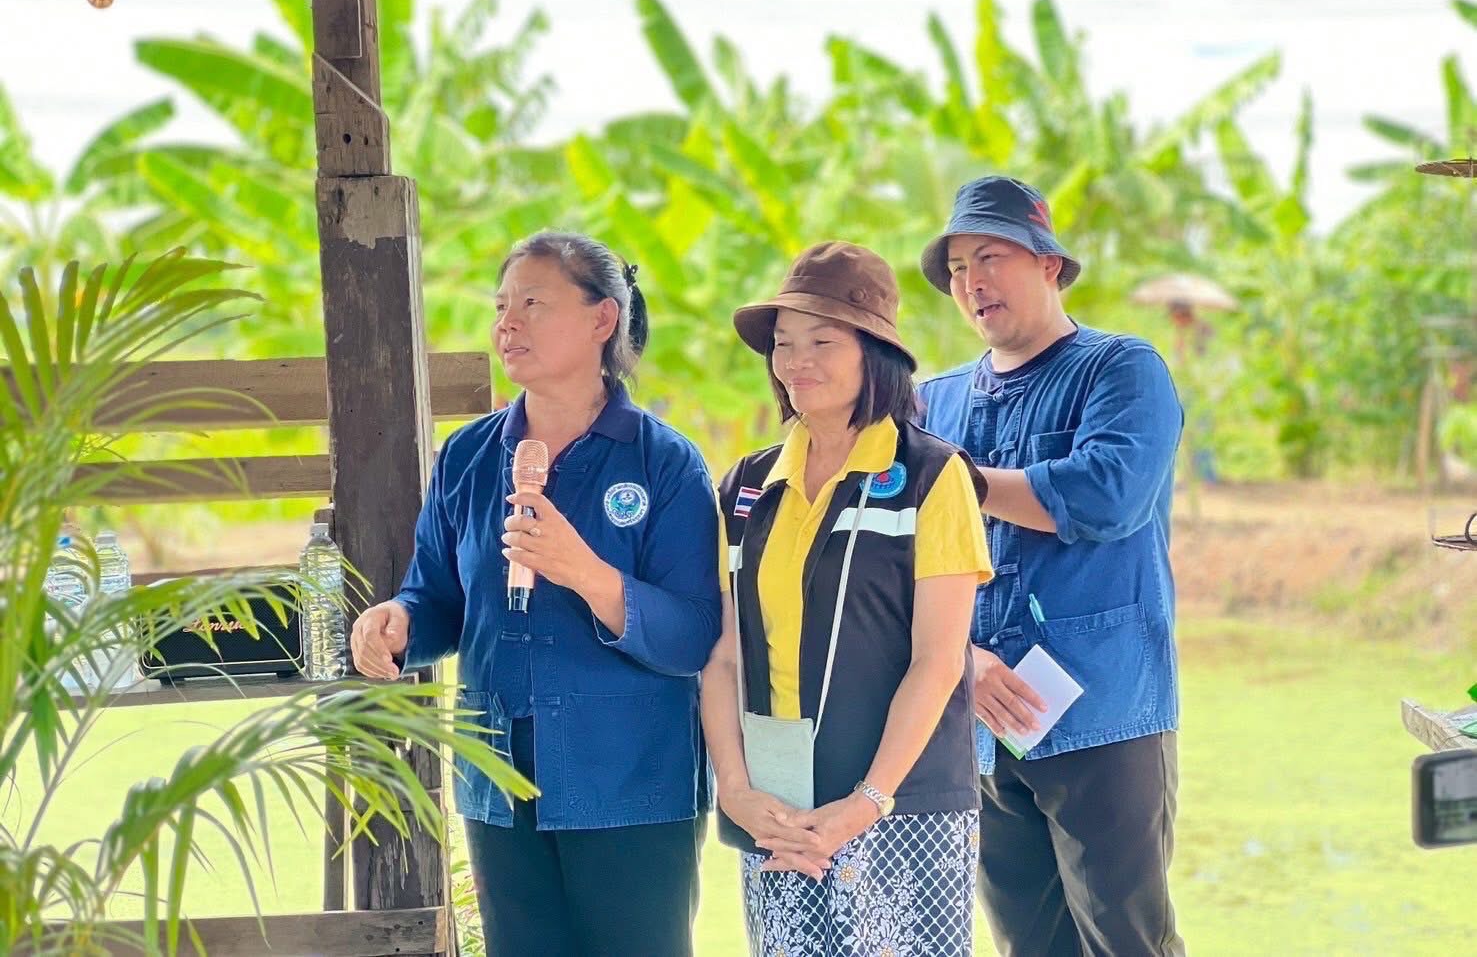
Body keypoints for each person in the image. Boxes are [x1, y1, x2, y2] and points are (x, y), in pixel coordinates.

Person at [349, 231, 722, 957]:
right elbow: (437, 597)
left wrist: (584, 571)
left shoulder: (664, 462)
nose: (506, 324)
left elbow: (693, 635)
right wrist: (397, 620)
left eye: (532, 304)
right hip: (497, 781)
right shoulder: (467, 454)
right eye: (500, 306)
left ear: (601, 320)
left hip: (631, 785)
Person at [916, 175, 1186, 957]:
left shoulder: (1119, 370)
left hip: (1103, 713)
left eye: (990, 256)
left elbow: (1105, 496)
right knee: (1025, 941)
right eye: (958, 267)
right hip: (979, 721)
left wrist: (956, 482)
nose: (971, 282)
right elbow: (897, 561)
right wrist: (958, 658)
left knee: (1125, 939)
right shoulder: (932, 403)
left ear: (1048, 264)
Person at [701, 241, 993, 956]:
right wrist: (736, 790)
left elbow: (937, 660)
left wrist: (865, 802)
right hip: (776, 808)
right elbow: (722, 654)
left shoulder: (931, 475)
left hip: (902, 806)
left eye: (822, 341)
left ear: (874, 353)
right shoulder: (747, 483)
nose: (796, 360)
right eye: (782, 344)